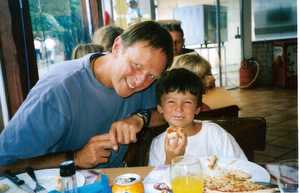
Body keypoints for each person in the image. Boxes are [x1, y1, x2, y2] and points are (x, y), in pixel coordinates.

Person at [0, 21, 173, 171]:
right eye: (136, 65)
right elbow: (6, 164)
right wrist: (75, 158)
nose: (139, 81)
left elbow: (167, 113)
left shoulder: (146, 78)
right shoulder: (58, 90)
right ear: (117, 47)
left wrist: (139, 119)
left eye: (151, 76)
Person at [148, 68, 247, 166]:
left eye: (187, 102)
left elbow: (241, 166)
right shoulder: (158, 144)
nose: (179, 109)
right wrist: (170, 160)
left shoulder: (214, 134)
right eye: (171, 102)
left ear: (197, 108)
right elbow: (155, 179)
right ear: (160, 108)